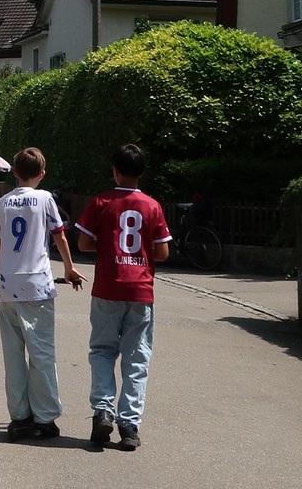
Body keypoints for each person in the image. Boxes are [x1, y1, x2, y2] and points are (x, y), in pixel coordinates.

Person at [74, 144, 171, 451]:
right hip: (140, 291)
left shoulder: (101, 201)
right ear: (142, 172)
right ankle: (129, 425)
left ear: (114, 170)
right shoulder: (152, 206)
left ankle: (103, 410)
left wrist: (106, 244)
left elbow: (84, 244)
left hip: (106, 288)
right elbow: (163, 252)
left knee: (102, 350)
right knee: (136, 358)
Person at [0, 146, 87, 443]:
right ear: (42, 174)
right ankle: (45, 417)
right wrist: (69, 268)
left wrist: (0, 269)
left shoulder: (4, 202)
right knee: (41, 352)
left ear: (15, 173)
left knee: (13, 353)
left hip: (8, 285)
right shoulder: (45, 199)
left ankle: (19, 417)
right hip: (37, 284)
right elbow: (59, 235)